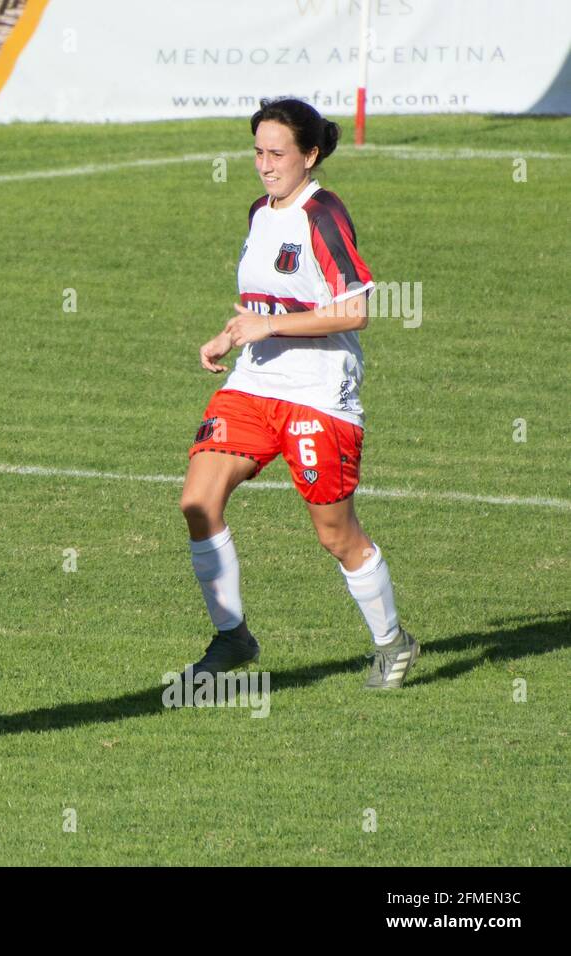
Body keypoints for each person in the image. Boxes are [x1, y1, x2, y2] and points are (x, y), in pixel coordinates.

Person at [180, 97, 418, 689]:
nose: (265, 164)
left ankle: (392, 644)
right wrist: (233, 333)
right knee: (197, 502)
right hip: (254, 384)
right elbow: (267, 303)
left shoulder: (324, 213)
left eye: (277, 154)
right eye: (258, 152)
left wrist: (269, 326)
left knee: (335, 533)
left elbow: (355, 310)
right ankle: (233, 636)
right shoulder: (260, 212)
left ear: (310, 155)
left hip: (318, 392)